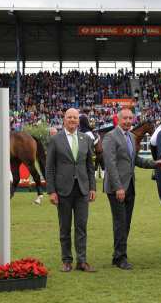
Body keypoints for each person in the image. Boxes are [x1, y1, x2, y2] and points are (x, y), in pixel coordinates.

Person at [102, 108, 161, 270]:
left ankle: (117, 255)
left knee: (126, 223)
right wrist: (118, 187)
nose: (128, 121)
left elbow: (135, 160)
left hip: (130, 186)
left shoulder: (131, 136)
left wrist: (154, 164)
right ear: (118, 119)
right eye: (125, 118)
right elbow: (110, 164)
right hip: (117, 188)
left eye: (130, 118)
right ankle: (121, 258)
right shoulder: (110, 137)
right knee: (120, 222)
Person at [46, 108, 97, 273]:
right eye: (70, 117)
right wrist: (51, 191)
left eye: (75, 118)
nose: (73, 120)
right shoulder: (55, 140)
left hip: (82, 189)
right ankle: (67, 260)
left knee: (81, 227)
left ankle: (82, 261)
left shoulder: (85, 139)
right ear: (64, 119)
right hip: (63, 190)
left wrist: (92, 187)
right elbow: (49, 168)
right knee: (65, 227)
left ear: (78, 120)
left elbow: (90, 166)